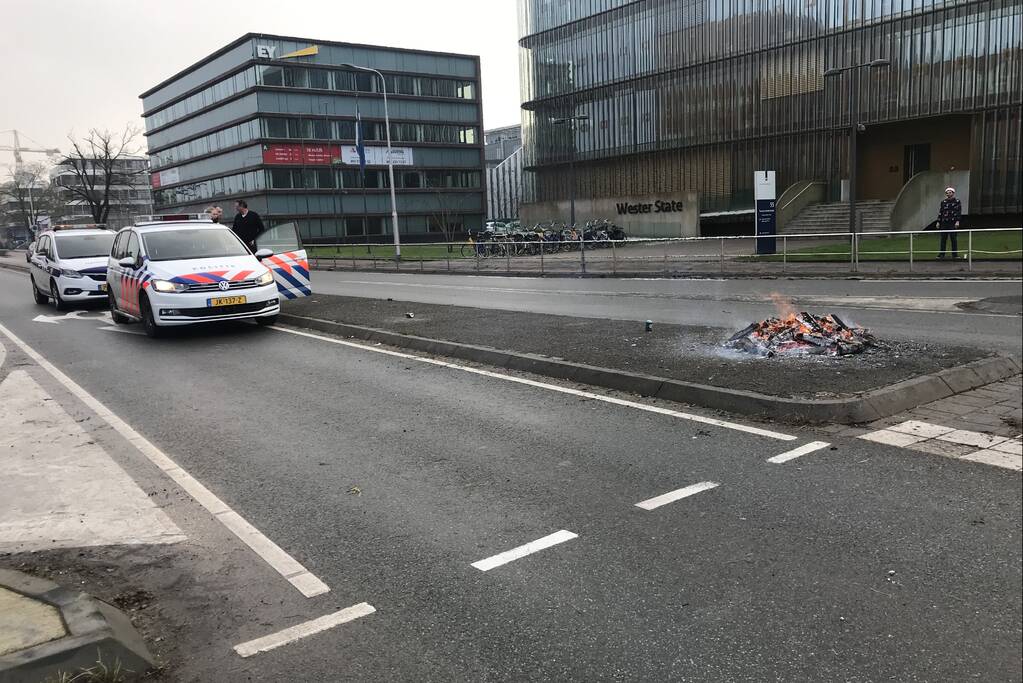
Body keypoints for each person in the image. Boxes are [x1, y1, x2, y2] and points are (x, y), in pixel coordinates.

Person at [936, 187, 962, 260]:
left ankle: (955, 254)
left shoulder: (957, 201)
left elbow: (958, 212)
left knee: (953, 238)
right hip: (944, 222)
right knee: (943, 239)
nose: (948, 194)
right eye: (947, 193)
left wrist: (957, 221)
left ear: (953, 193)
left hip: (952, 222)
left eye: (950, 192)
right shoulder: (943, 202)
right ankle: (941, 254)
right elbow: (941, 212)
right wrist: (938, 222)